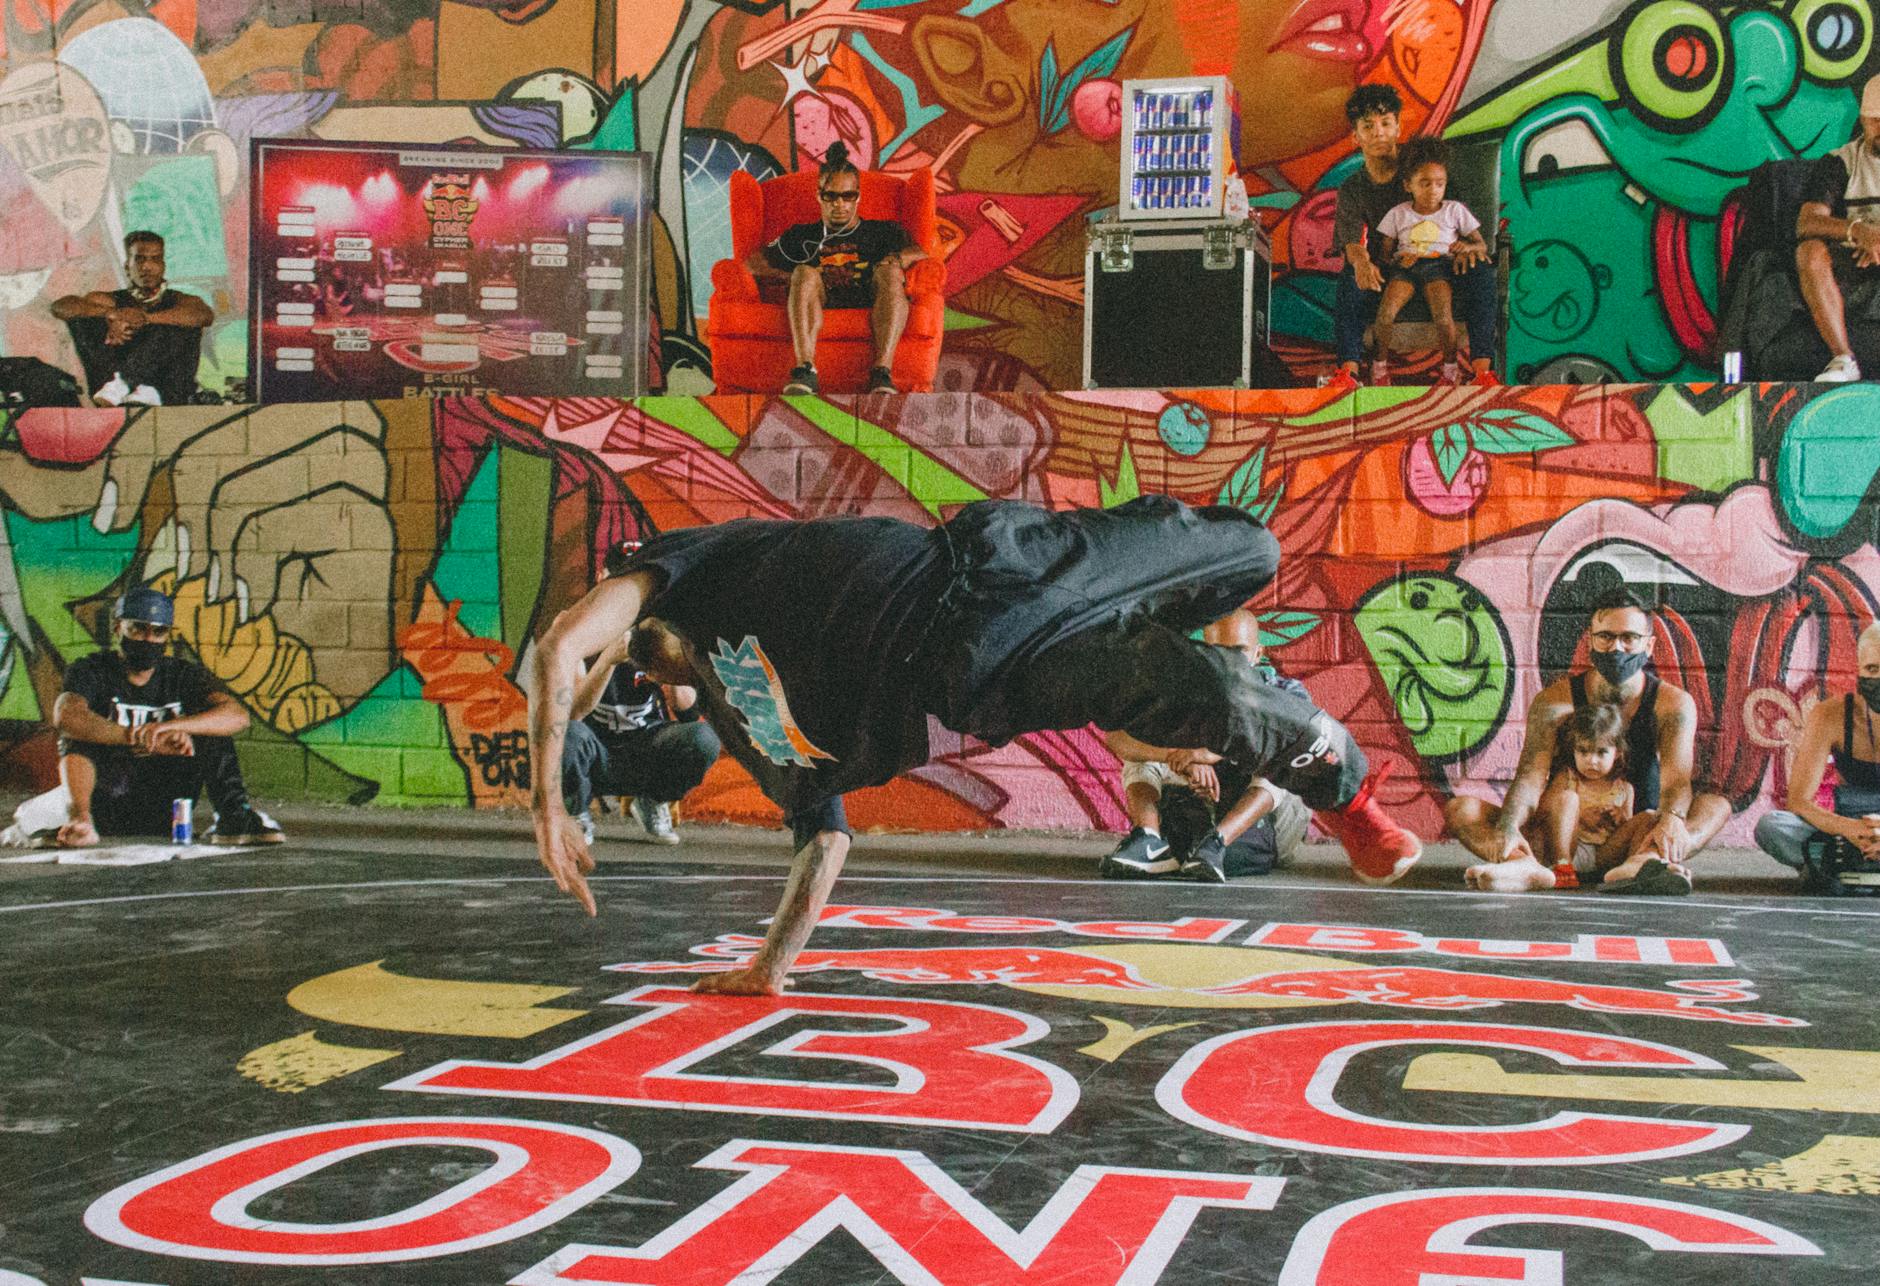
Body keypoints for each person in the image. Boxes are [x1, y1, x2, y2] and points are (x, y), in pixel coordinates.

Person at [529, 497, 1423, 994]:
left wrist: (548, 800)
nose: (652, 679)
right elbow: (825, 838)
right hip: (984, 668)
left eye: (635, 656)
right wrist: (769, 968)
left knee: (1251, 550)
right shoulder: (750, 723)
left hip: (997, 557)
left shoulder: (682, 571)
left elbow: (563, 646)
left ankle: (1141, 621)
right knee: (1205, 694)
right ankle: (1350, 800)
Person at [1444, 586, 1731, 895]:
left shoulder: (1672, 704)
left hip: (1632, 836)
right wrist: (1510, 827)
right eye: (1606, 637)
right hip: (1558, 840)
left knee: (1716, 806)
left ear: (1648, 646)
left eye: (1629, 638)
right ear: (1590, 642)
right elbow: (1530, 776)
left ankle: (1645, 864)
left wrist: (1673, 820)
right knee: (1462, 809)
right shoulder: (1555, 702)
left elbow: (1676, 783)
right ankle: (1522, 864)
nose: (1616, 648)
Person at [46, 586, 282, 848]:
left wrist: (169, 727)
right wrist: (135, 737)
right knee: (78, 738)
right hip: (109, 801)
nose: (148, 639)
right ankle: (80, 819)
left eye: (158, 631)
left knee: (212, 732)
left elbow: (237, 716)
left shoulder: (182, 675)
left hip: (165, 805)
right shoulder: (92, 669)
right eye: (138, 629)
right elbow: (66, 716)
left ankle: (234, 818)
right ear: (118, 628)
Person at [1101, 610, 1311, 881]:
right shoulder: (1183, 690)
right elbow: (1116, 737)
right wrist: (1180, 757)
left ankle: (1217, 843)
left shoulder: (1284, 692)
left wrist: (1211, 753)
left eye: (1239, 651)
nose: (1229, 663)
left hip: (1274, 822)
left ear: (1258, 654)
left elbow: (1300, 747)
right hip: (1204, 801)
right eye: (1218, 652)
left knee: (1281, 760)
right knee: (1142, 750)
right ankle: (1148, 839)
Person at [1328, 86, 1498, 391]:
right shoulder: (1353, 188)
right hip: (1391, 265)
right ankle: (1348, 374)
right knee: (1350, 277)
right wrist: (1363, 262)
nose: (1378, 133)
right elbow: (1352, 242)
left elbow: (1455, 213)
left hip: (1444, 263)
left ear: (1398, 128)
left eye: (1385, 123)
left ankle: (1482, 372)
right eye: (1368, 126)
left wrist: (1469, 248)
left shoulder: (1424, 165)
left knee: (1483, 271)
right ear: (1356, 136)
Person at [560, 545, 722, 847]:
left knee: (704, 738)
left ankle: (652, 800)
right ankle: (576, 814)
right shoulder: (575, 627)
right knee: (565, 733)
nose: (626, 588)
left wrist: (669, 658)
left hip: (645, 748)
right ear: (601, 576)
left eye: (636, 578)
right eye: (619, 576)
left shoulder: (658, 627)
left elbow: (688, 714)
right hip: (596, 752)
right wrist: (609, 659)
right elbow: (573, 714)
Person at [747, 142, 928, 396]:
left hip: (871, 295)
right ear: (818, 195)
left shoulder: (882, 231)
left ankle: (881, 373)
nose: (839, 204)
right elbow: (753, 262)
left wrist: (898, 258)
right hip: (819, 298)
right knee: (803, 272)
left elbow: (922, 251)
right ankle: (805, 370)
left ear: (858, 196)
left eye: (848, 196)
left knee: (890, 273)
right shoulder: (801, 235)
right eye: (830, 196)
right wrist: (786, 276)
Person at [1754, 621, 1880, 873]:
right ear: (1858, 670)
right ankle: (1848, 860)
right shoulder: (1831, 715)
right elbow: (1799, 801)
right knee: (1773, 826)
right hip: (1851, 825)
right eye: (1872, 668)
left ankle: (1832, 865)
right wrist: (1850, 829)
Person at [1370, 136, 1487, 386]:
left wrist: (1465, 246)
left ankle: (1450, 370)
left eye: (1439, 184)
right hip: (1407, 269)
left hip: (1439, 267)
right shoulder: (1398, 213)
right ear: (1407, 185)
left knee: (1443, 317)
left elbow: (1482, 245)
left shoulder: (1453, 210)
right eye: (1424, 183)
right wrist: (1396, 260)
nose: (1433, 190)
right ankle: (1379, 368)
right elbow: (1384, 254)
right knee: (1385, 314)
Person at [50, 231, 212, 407]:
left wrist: (145, 318)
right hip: (112, 392)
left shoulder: (181, 300)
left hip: (167, 393)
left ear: (163, 266)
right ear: (128, 266)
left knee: (180, 319)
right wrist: (113, 315)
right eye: (140, 259)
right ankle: (119, 386)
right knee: (83, 316)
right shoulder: (110, 300)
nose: (147, 267)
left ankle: (136, 385)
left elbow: (204, 315)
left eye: (155, 259)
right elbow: (61, 306)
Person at [1796, 74, 1880, 383]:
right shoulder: (1840, 162)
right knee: (1809, 250)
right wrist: (1858, 232)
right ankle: (1843, 359)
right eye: (1874, 121)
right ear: (1862, 119)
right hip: (1851, 262)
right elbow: (1807, 222)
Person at [1517, 702, 1634, 892]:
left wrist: (1618, 817)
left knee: (1647, 817)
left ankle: (1632, 869)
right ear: (1574, 750)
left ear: (1618, 754)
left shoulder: (1624, 790)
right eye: (1583, 751)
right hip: (1567, 849)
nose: (1592, 761)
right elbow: (1542, 814)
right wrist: (1580, 817)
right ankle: (1563, 867)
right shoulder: (1568, 778)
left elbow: (1627, 828)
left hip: (1602, 856)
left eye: (1601, 752)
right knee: (1568, 798)